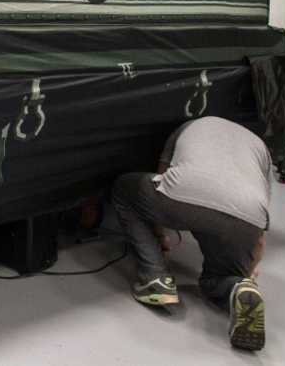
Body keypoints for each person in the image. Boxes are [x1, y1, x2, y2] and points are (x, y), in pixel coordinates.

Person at [111, 115, 270, 351]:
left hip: (183, 193)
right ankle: (237, 287)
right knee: (219, 278)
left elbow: (161, 178)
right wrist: (244, 273)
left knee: (124, 189)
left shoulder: (189, 126)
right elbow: (260, 237)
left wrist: (159, 235)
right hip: (248, 216)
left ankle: (154, 277)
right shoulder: (259, 146)